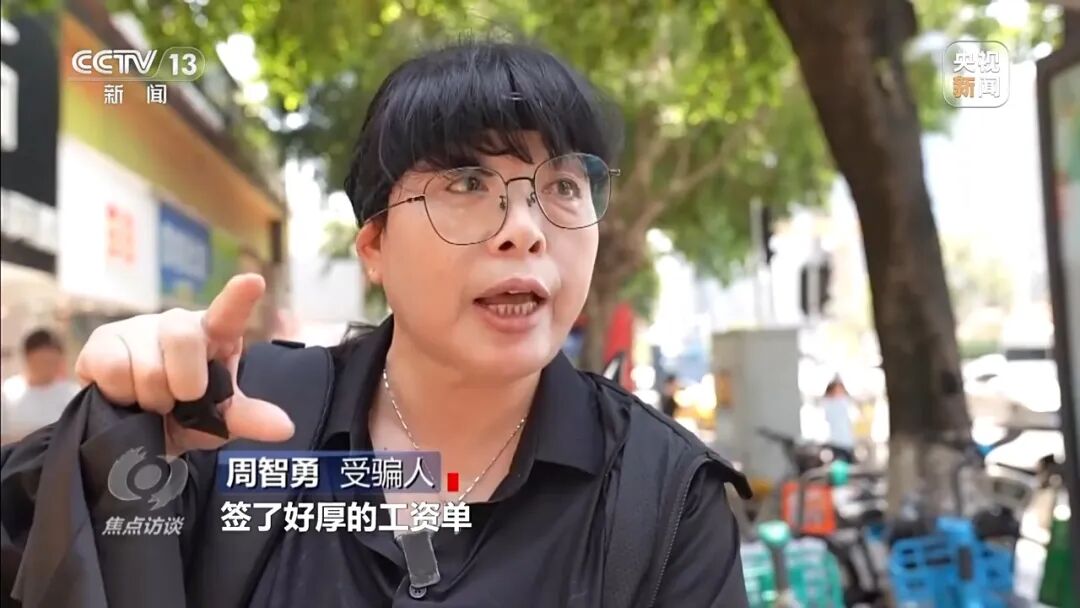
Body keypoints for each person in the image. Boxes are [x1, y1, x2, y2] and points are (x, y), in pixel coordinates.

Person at [1, 40, 750, 607]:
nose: (524, 230)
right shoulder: (231, 423)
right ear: (374, 247)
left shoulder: (663, 496)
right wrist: (118, 428)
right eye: (468, 181)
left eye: (562, 186)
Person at [0, 328, 80, 444]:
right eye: (43, 361)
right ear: (28, 358)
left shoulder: (73, 394)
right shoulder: (7, 393)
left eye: (52, 361)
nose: (48, 366)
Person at [820, 377, 858, 462]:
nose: (839, 393)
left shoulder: (845, 402)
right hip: (835, 442)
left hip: (848, 442)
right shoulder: (829, 404)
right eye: (836, 390)